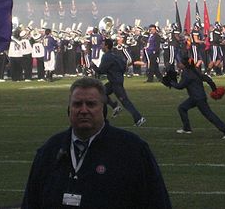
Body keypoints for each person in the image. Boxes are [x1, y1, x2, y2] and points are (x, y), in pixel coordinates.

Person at [22, 77, 170, 208]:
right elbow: (31, 201)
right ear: (69, 110)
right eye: (77, 104)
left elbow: (156, 200)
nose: (84, 110)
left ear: (103, 109)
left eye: (91, 104)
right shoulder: (50, 150)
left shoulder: (132, 149)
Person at [163, 56, 225, 138]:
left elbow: (180, 86)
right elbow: (207, 79)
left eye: (180, 62)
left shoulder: (186, 73)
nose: (178, 64)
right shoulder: (194, 70)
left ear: (184, 64)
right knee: (182, 108)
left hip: (197, 98)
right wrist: (214, 89)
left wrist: (171, 83)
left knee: (209, 115)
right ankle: (187, 128)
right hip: (196, 97)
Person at [93, 38, 146, 127]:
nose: (101, 46)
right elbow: (124, 67)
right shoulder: (115, 55)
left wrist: (93, 67)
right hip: (115, 81)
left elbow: (101, 70)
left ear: (106, 46)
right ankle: (114, 106)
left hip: (115, 82)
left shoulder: (106, 56)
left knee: (125, 101)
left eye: (102, 44)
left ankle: (139, 118)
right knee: (100, 93)